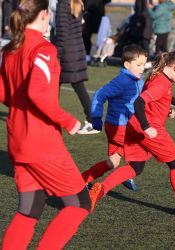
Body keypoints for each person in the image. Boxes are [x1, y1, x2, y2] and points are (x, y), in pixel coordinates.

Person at [0, 0, 91, 248]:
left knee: (30, 209)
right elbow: (36, 93)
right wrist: (68, 121)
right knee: (80, 203)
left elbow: (4, 93)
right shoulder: (43, 48)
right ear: (43, 14)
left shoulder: (10, 49)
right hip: (41, 144)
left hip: (18, 143)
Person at [89, 48, 175, 217]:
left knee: (136, 167)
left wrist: (170, 107)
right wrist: (147, 127)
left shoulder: (156, 75)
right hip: (150, 130)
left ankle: (101, 188)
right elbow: (139, 102)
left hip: (133, 126)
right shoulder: (162, 83)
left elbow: (155, 99)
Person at [81, 44, 148, 191]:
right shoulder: (122, 81)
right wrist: (96, 117)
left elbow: (145, 99)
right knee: (143, 146)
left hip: (123, 126)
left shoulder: (139, 80)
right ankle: (126, 175)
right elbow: (100, 94)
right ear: (127, 64)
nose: (142, 68)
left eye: (144, 64)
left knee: (113, 162)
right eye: (138, 64)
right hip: (119, 126)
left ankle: (83, 179)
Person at [55, 0, 99, 134]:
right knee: (75, 87)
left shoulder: (63, 4)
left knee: (55, 87)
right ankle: (93, 121)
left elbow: (62, 33)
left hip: (67, 53)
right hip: (76, 50)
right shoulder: (76, 2)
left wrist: (56, 53)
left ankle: (93, 122)